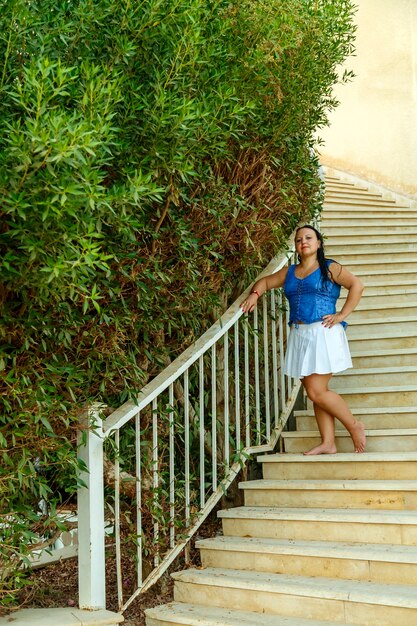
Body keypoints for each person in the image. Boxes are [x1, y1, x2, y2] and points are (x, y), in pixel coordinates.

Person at [241, 224, 366, 455]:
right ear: (296, 247)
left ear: (318, 243)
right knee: (316, 391)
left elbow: (357, 285)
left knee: (316, 391)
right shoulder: (289, 272)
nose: (303, 242)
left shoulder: (329, 267)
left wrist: (342, 315)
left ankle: (354, 425)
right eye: (299, 240)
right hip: (300, 334)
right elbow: (266, 282)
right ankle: (328, 443)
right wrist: (255, 294)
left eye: (309, 237)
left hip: (323, 332)